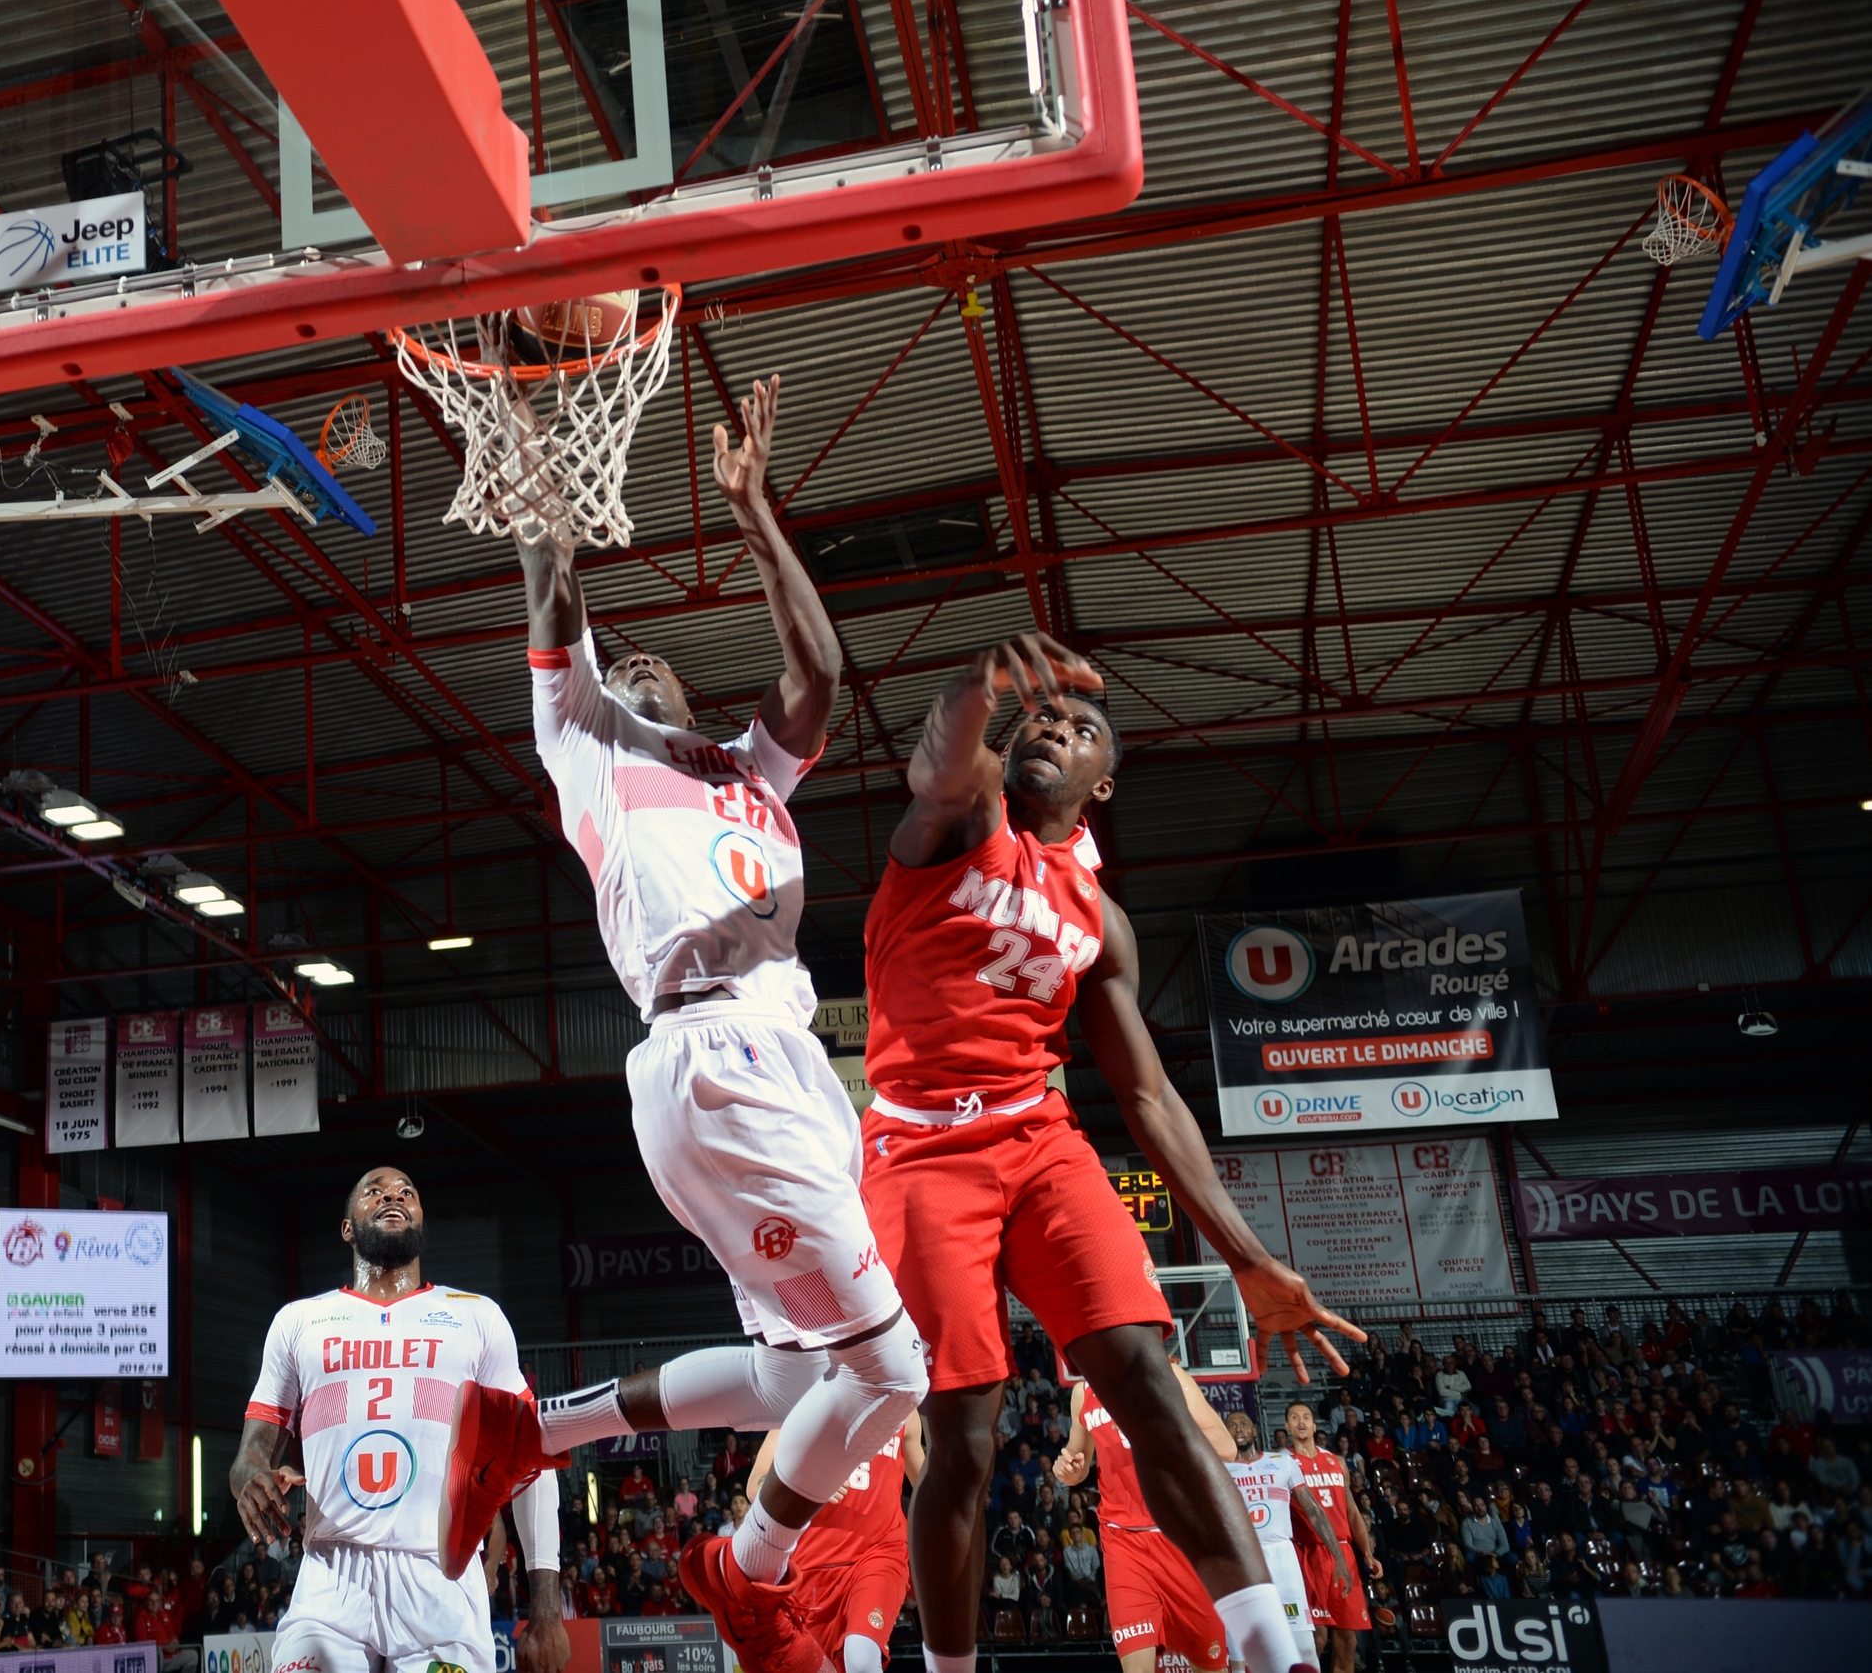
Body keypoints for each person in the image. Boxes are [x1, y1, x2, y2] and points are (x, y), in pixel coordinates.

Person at [455, 373, 927, 1673]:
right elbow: (557, 604)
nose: (642, 659)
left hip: (784, 1064)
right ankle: (745, 1566)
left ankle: (541, 1429)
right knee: (895, 1374)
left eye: (665, 656)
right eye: (626, 658)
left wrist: (753, 505)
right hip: (715, 1051)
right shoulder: (596, 758)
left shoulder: (744, 771)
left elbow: (822, 671)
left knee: (796, 1382)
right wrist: (536, 462)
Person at [859, 628, 1361, 1673]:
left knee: (1144, 1372)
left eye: (1080, 728)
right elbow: (935, 761)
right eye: (1039, 718)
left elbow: (1144, 1094)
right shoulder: (962, 820)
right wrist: (978, 677)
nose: (1054, 728)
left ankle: (1277, 1655)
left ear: (1104, 782)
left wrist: (1248, 1256)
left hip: (1037, 1140)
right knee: (963, 1434)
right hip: (919, 1149)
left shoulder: (1100, 919)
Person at [235, 1169, 567, 1673]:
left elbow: (531, 1464)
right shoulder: (298, 1321)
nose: (393, 1196)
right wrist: (250, 1481)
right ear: (347, 1228)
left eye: (406, 1192)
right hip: (332, 1573)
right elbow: (249, 1458)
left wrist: (546, 1612)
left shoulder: (477, 1316)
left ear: (421, 1220)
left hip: (441, 1574)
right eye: (374, 1191)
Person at [1056, 1365, 1234, 1673]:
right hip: (1123, 1542)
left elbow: (1226, 1446)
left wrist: (1158, 1428)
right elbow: (1079, 1456)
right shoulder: (1082, 1392)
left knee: (1211, 1666)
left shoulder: (1169, 1375)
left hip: (1182, 1537)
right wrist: (1070, 1468)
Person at [747, 1412, 925, 1673]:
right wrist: (808, 1484)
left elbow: (927, 1485)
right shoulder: (800, 1401)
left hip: (879, 1554)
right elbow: (755, 1486)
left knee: (861, 1658)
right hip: (812, 1565)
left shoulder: (903, 1407)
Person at [1225, 1414, 1347, 1672]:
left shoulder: (1281, 1461)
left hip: (1282, 1557)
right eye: (1231, 1426)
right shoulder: (1220, 1467)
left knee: (1303, 1643)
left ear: (1255, 1430)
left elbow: (1314, 1510)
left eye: (1244, 1424)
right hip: (1242, 1559)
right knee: (1239, 1650)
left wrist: (1339, 1556)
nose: (1239, 1430)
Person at [1277, 1404, 1374, 1673]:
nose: (1301, 1422)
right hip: (1308, 1553)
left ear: (1315, 1425)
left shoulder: (1337, 1461)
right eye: (1294, 1418)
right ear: (1287, 1426)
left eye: (1306, 1417)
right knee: (1315, 1637)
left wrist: (1366, 1551)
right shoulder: (1281, 1462)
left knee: (1348, 1640)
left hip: (1343, 1552)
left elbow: (1352, 1510)